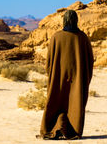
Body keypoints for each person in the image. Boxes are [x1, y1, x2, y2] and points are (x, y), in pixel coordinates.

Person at [38, 10, 94, 140]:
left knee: (55, 101)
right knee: (75, 103)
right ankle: (73, 131)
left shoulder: (56, 37)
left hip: (58, 77)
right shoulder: (82, 38)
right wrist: (84, 78)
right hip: (78, 79)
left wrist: (51, 75)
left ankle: (51, 129)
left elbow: (49, 61)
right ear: (76, 20)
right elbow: (90, 61)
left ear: (64, 20)